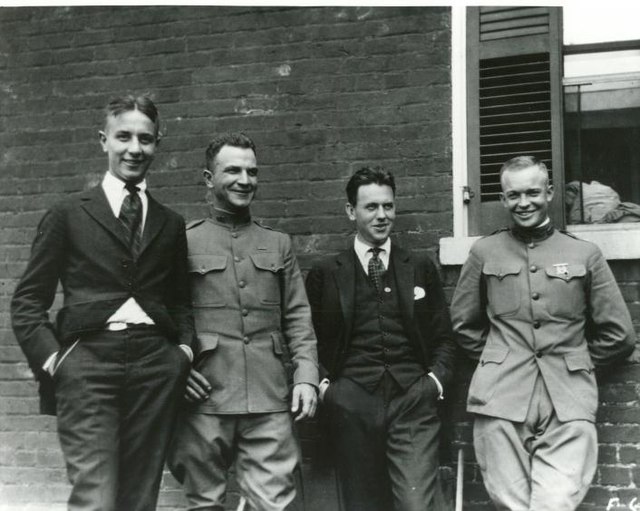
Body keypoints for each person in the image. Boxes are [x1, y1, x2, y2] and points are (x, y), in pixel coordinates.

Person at [11, 94, 194, 511]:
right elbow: (27, 301)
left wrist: (181, 352)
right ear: (103, 141)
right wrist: (56, 361)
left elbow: (181, 301)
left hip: (155, 366)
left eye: (145, 139)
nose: (135, 148)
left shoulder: (170, 222)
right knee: (95, 495)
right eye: (124, 137)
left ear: (157, 144)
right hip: (88, 364)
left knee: (139, 497)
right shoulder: (69, 213)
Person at [451, 155, 636, 511]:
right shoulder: (484, 252)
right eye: (514, 195)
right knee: (511, 504)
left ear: (549, 192)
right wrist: (499, 359)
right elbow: (462, 324)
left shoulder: (584, 253)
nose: (524, 203)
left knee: (555, 503)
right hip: (501, 399)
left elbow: (619, 334)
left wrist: (576, 361)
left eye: (533, 193)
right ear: (503, 199)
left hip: (568, 400)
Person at [168, 132, 319, 511]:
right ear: (208, 178)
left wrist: (305, 376)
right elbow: (166, 316)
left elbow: (298, 316)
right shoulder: (182, 242)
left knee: (274, 503)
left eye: (252, 171)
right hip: (204, 395)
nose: (244, 180)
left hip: (268, 397)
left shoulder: (278, 244)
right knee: (205, 503)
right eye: (232, 170)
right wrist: (177, 370)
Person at [305, 167, 457, 511]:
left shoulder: (418, 266)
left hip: (412, 401)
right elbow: (306, 339)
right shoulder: (327, 273)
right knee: (362, 505)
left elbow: (445, 338)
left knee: (416, 503)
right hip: (352, 402)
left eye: (388, 206)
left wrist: (433, 383)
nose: (381, 215)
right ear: (351, 212)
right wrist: (330, 390)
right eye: (371, 207)